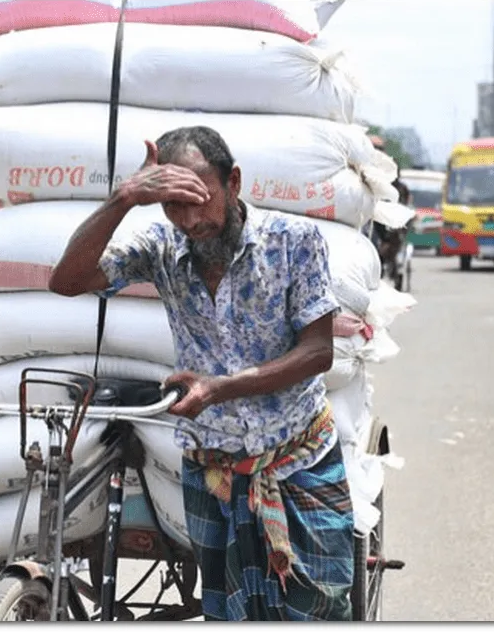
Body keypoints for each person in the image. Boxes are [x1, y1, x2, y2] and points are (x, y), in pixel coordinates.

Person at [49, 126, 354, 621]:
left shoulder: (293, 242)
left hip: (299, 460)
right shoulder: (161, 247)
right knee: (225, 613)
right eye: (173, 205)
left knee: (318, 609)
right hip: (214, 471)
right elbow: (66, 281)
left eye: (200, 200)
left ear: (233, 182)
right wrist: (124, 197)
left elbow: (318, 353)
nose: (191, 220)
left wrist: (220, 388)